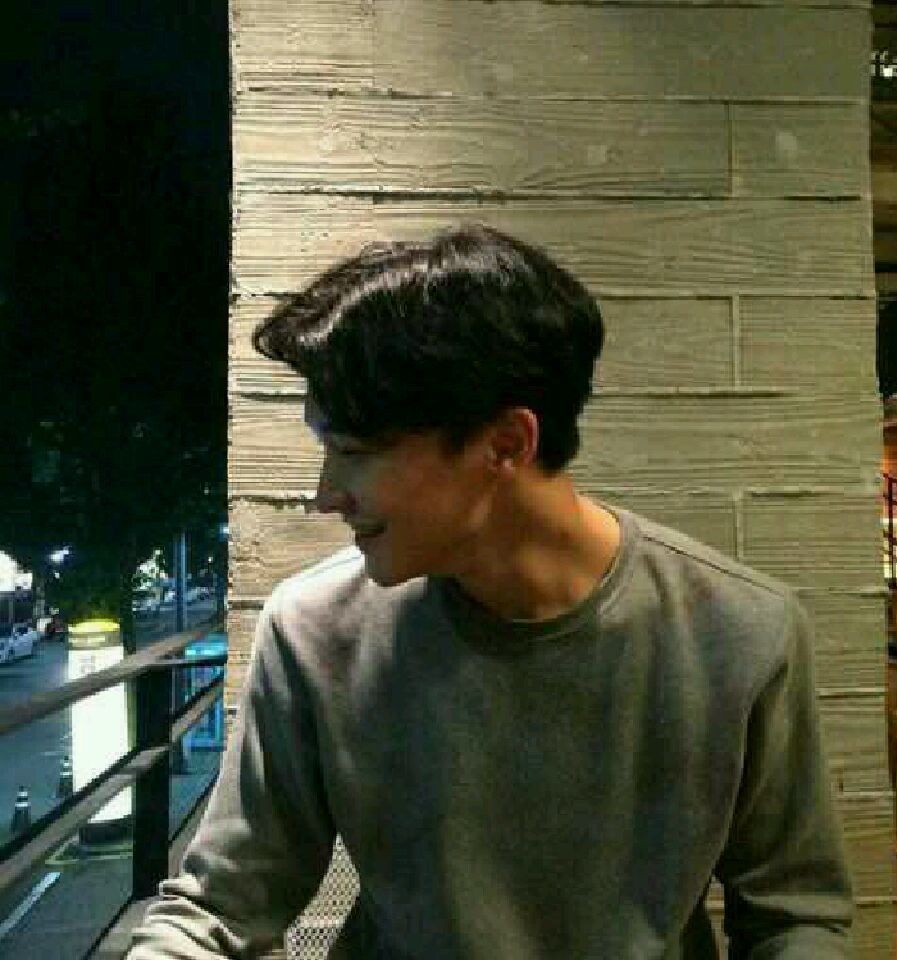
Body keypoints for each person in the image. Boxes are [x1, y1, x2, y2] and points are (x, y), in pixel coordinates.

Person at [128, 223, 853, 959]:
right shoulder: (314, 629)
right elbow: (219, 909)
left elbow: (798, 918)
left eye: (352, 451)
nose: (325, 494)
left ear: (506, 444)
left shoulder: (741, 631)